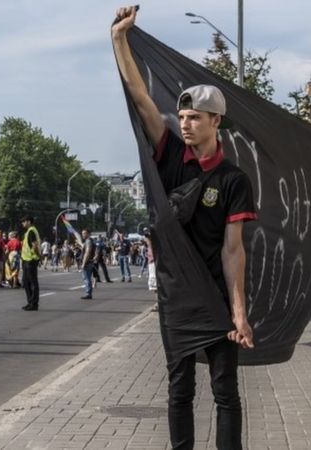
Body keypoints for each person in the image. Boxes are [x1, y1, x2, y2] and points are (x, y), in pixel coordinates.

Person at [112, 6, 256, 449]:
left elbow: (233, 251)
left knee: (225, 393)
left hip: (214, 295)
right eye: (183, 116)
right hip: (177, 297)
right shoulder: (171, 155)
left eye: (196, 117)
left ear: (216, 122)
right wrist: (119, 39)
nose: (186, 123)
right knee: (179, 391)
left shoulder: (233, 181)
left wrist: (238, 312)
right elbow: (140, 99)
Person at [20, 215, 41, 310]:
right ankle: (30, 302)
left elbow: (35, 246)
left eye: (24, 221)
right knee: (26, 282)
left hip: (30, 260)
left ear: (29, 222)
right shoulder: (29, 231)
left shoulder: (31, 231)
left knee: (32, 283)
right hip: (26, 260)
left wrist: (37, 256)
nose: (22, 223)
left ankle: (34, 304)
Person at [79, 229, 96, 300]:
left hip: (87, 263)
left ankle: (88, 293)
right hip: (89, 262)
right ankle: (88, 293)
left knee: (87, 278)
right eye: (82, 233)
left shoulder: (88, 241)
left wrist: (83, 263)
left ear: (88, 234)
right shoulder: (89, 241)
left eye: (84, 233)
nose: (83, 235)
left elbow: (88, 252)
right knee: (87, 278)